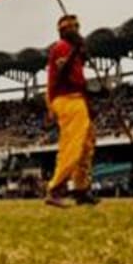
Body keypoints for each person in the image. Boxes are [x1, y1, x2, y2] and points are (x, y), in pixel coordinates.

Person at [44, 14, 98, 207]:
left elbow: (79, 83)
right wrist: (76, 51)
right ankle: (55, 187)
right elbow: (62, 74)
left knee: (86, 144)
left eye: (76, 26)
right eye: (70, 28)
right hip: (65, 99)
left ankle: (81, 189)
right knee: (73, 143)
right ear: (62, 31)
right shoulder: (60, 48)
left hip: (78, 99)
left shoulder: (74, 53)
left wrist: (98, 94)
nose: (75, 30)